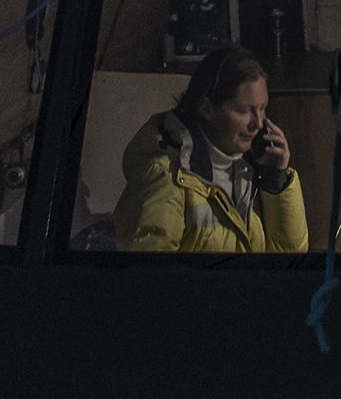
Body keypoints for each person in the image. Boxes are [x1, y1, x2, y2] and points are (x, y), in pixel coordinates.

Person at [119, 42, 309, 253]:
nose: (258, 123)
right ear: (207, 109)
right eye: (244, 111)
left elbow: (287, 261)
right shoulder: (164, 177)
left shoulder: (249, 168)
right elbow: (148, 278)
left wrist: (276, 183)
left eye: (262, 109)